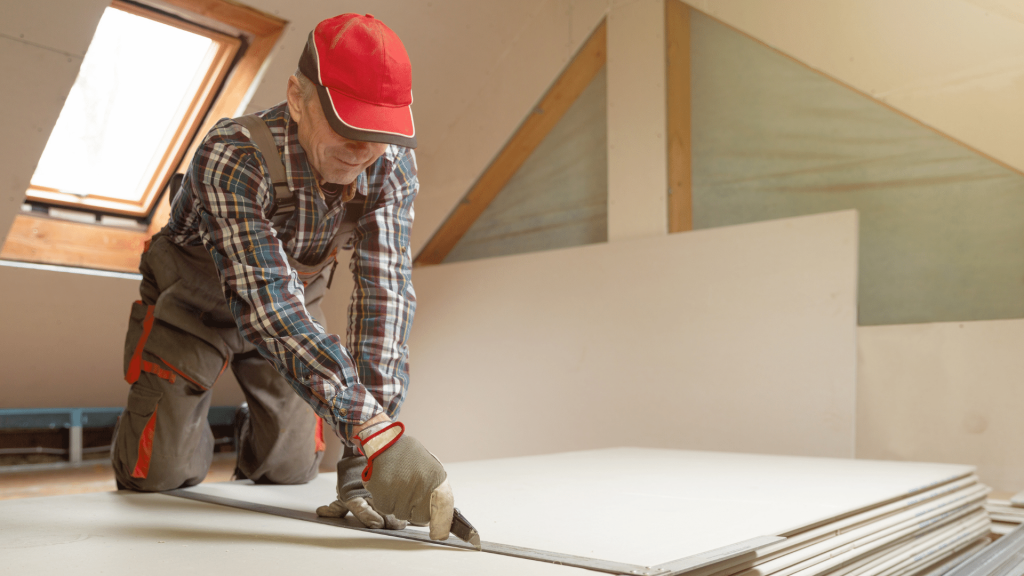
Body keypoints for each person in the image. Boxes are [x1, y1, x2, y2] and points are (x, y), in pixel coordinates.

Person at [111, 13, 455, 541]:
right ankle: (185, 418)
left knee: (290, 471)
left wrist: (367, 456)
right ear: (297, 98)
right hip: (195, 306)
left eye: (378, 135)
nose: (362, 151)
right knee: (159, 476)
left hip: (294, 311)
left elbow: (383, 298)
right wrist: (370, 428)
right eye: (346, 127)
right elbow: (267, 306)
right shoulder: (232, 154)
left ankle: (258, 425)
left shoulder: (390, 167)